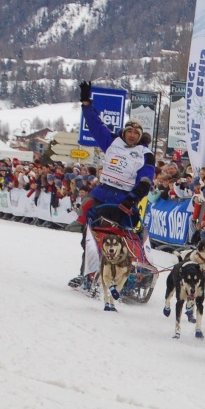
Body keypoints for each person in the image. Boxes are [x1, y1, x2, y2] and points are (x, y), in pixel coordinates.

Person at [69, 81, 155, 289]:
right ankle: (87, 272)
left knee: (123, 239)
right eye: (129, 131)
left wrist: (133, 198)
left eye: (136, 132)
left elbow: (145, 180)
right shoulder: (112, 142)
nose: (132, 135)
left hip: (124, 199)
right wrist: (86, 102)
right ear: (124, 132)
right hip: (102, 193)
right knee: (89, 235)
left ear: (140, 135)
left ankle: (125, 277)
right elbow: (95, 125)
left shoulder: (146, 154)